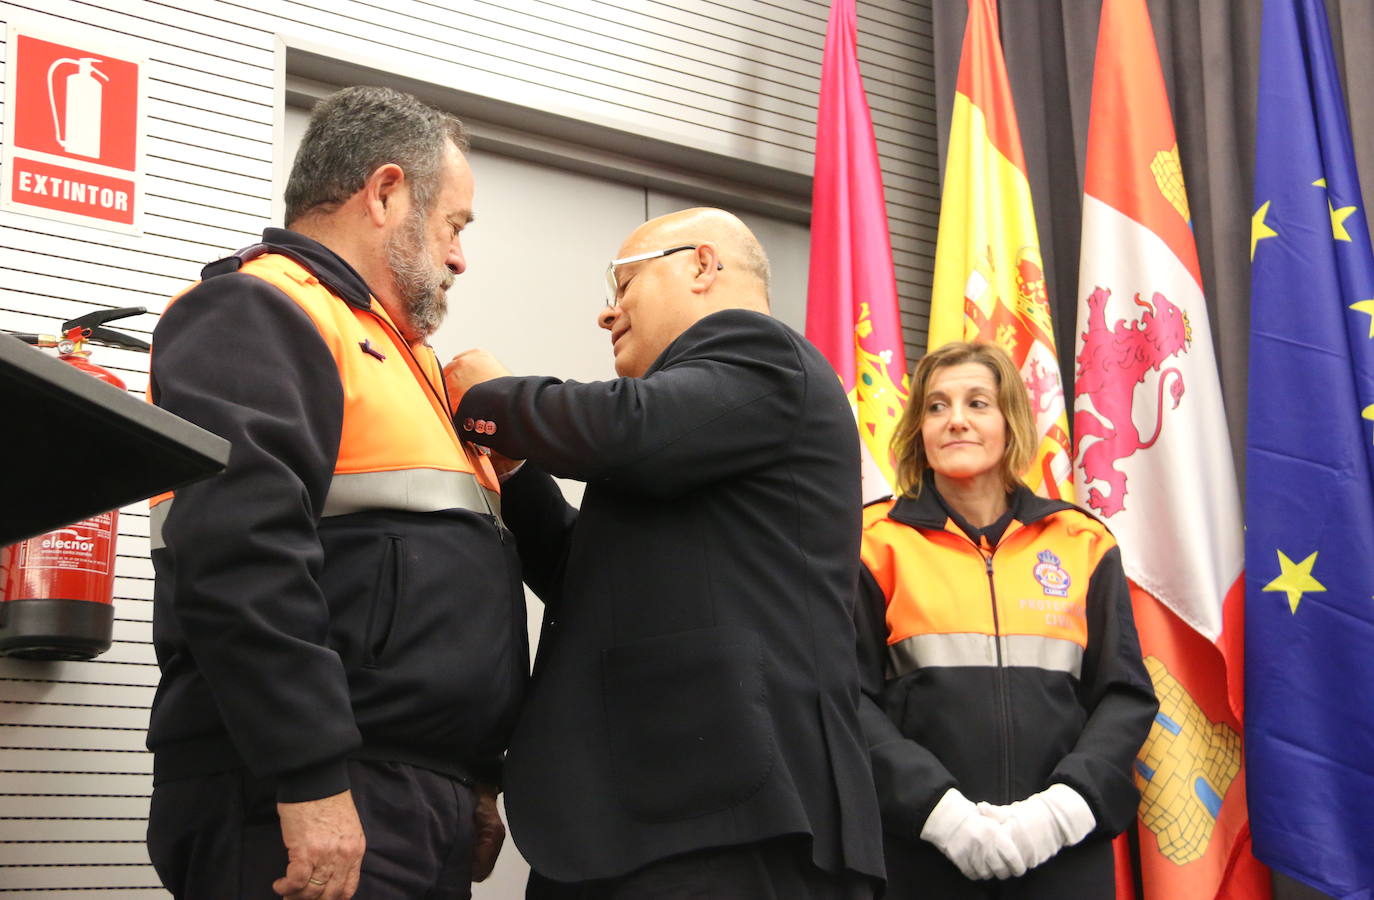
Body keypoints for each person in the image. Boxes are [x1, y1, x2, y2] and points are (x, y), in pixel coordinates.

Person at [144, 86, 526, 900]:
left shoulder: (410, 362)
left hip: (412, 797)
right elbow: (241, 556)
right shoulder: (259, 309)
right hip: (305, 790)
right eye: (455, 225)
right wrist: (309, 778)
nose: (461, 257)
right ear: (386, 192)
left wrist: (475, 778)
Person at [444, 207, 885, 898]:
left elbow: (630, 428)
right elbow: (585, 578)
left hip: (726, 823)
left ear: (703, 265)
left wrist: (490, 398)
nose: (607, 312)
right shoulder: (691, 431)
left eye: (623, 284)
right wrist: (518, 476)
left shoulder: (766, 355)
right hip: (637, 822)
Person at [855, 340, 1158, 898]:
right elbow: (848, 698)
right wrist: (943, 817)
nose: (956, 421)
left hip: (1064, 856)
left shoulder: (1082, 543)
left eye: (977, 403)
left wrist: (1061, 812)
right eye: (937, 406)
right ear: (918, 429)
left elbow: (1125, 696)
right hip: (918, 858)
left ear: (1010, 420)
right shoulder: (875, 546)